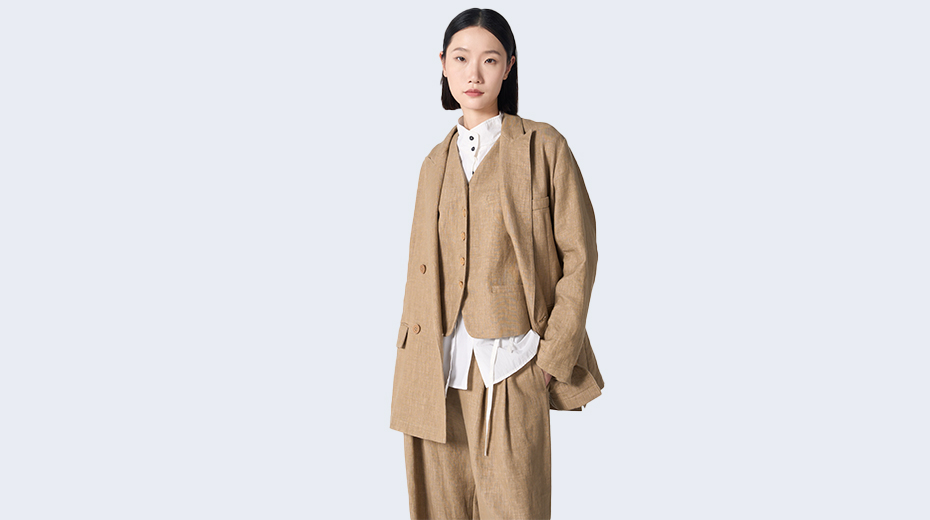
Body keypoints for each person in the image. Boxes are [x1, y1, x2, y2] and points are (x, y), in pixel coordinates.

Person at [390, 8, 604, 519]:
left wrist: (549, 361)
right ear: (443, 65)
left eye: (489, 60)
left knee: (516, 509)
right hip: (436, 372)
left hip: (514, 365)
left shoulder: (544, 146)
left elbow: (580, 255)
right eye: (461, 59)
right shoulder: (432, 164)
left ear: (508, 66)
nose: (474, 73)